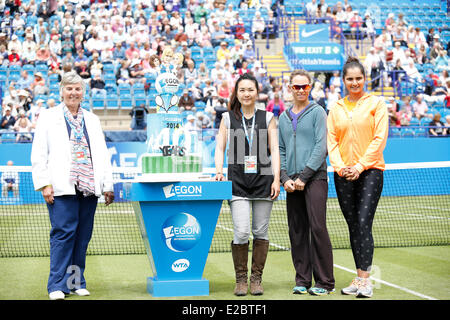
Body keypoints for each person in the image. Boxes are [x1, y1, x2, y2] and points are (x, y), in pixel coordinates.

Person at [31, 71, 115, 301]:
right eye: (69, 89)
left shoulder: (93, 119)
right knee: (63, 234)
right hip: (61, 185)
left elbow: (101, 154)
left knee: (82, 236)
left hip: (88, 187)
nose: (73, 92)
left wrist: (107, 184)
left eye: (77, 89)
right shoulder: (48, 116)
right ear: (61, 92)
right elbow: (39, 153)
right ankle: (56, 285)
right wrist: (44, 184)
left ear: (83, 92)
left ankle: (76, 282)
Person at [327, 57, 388, 298]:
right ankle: (360, 276)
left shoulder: (376, 103)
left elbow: (379, 138)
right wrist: (341, 167)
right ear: (343, 80)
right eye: (350, 79)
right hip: (343, 174)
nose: (354, 82)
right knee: (354, 226)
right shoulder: (336, 108)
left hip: (371, 170)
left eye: (358, 78)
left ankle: (365, 281)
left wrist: (360, 165)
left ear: (365, 79)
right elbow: (332, 141)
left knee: (363, 222)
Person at [214, 73, 280, 296]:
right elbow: (220, 148)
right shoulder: (227, 118)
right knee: (241, 232)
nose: (246, 94)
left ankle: (256, 279)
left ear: (257, 92)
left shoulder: (269, 117)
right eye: (242, 90)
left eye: (250, 89)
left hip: (263, 180)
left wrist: (277, 179)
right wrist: (218, 171)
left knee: (260, 232)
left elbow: (276, 152)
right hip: (237, 182)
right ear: (237, 93)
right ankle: (241, 279)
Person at [278, 70, 335, 296]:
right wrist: (285, 178)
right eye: (296, 87)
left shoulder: (318, 112)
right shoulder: (282, 118)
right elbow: (280, 149)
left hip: (315, 178)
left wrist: (304, 176)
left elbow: (322, 146)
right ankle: (302, 279)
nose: (301, 90)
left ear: (310, 88)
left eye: (304, 86)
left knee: (318, 228)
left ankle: (325, 282)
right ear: (290, 88)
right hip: (291, 182)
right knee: (297, 231)